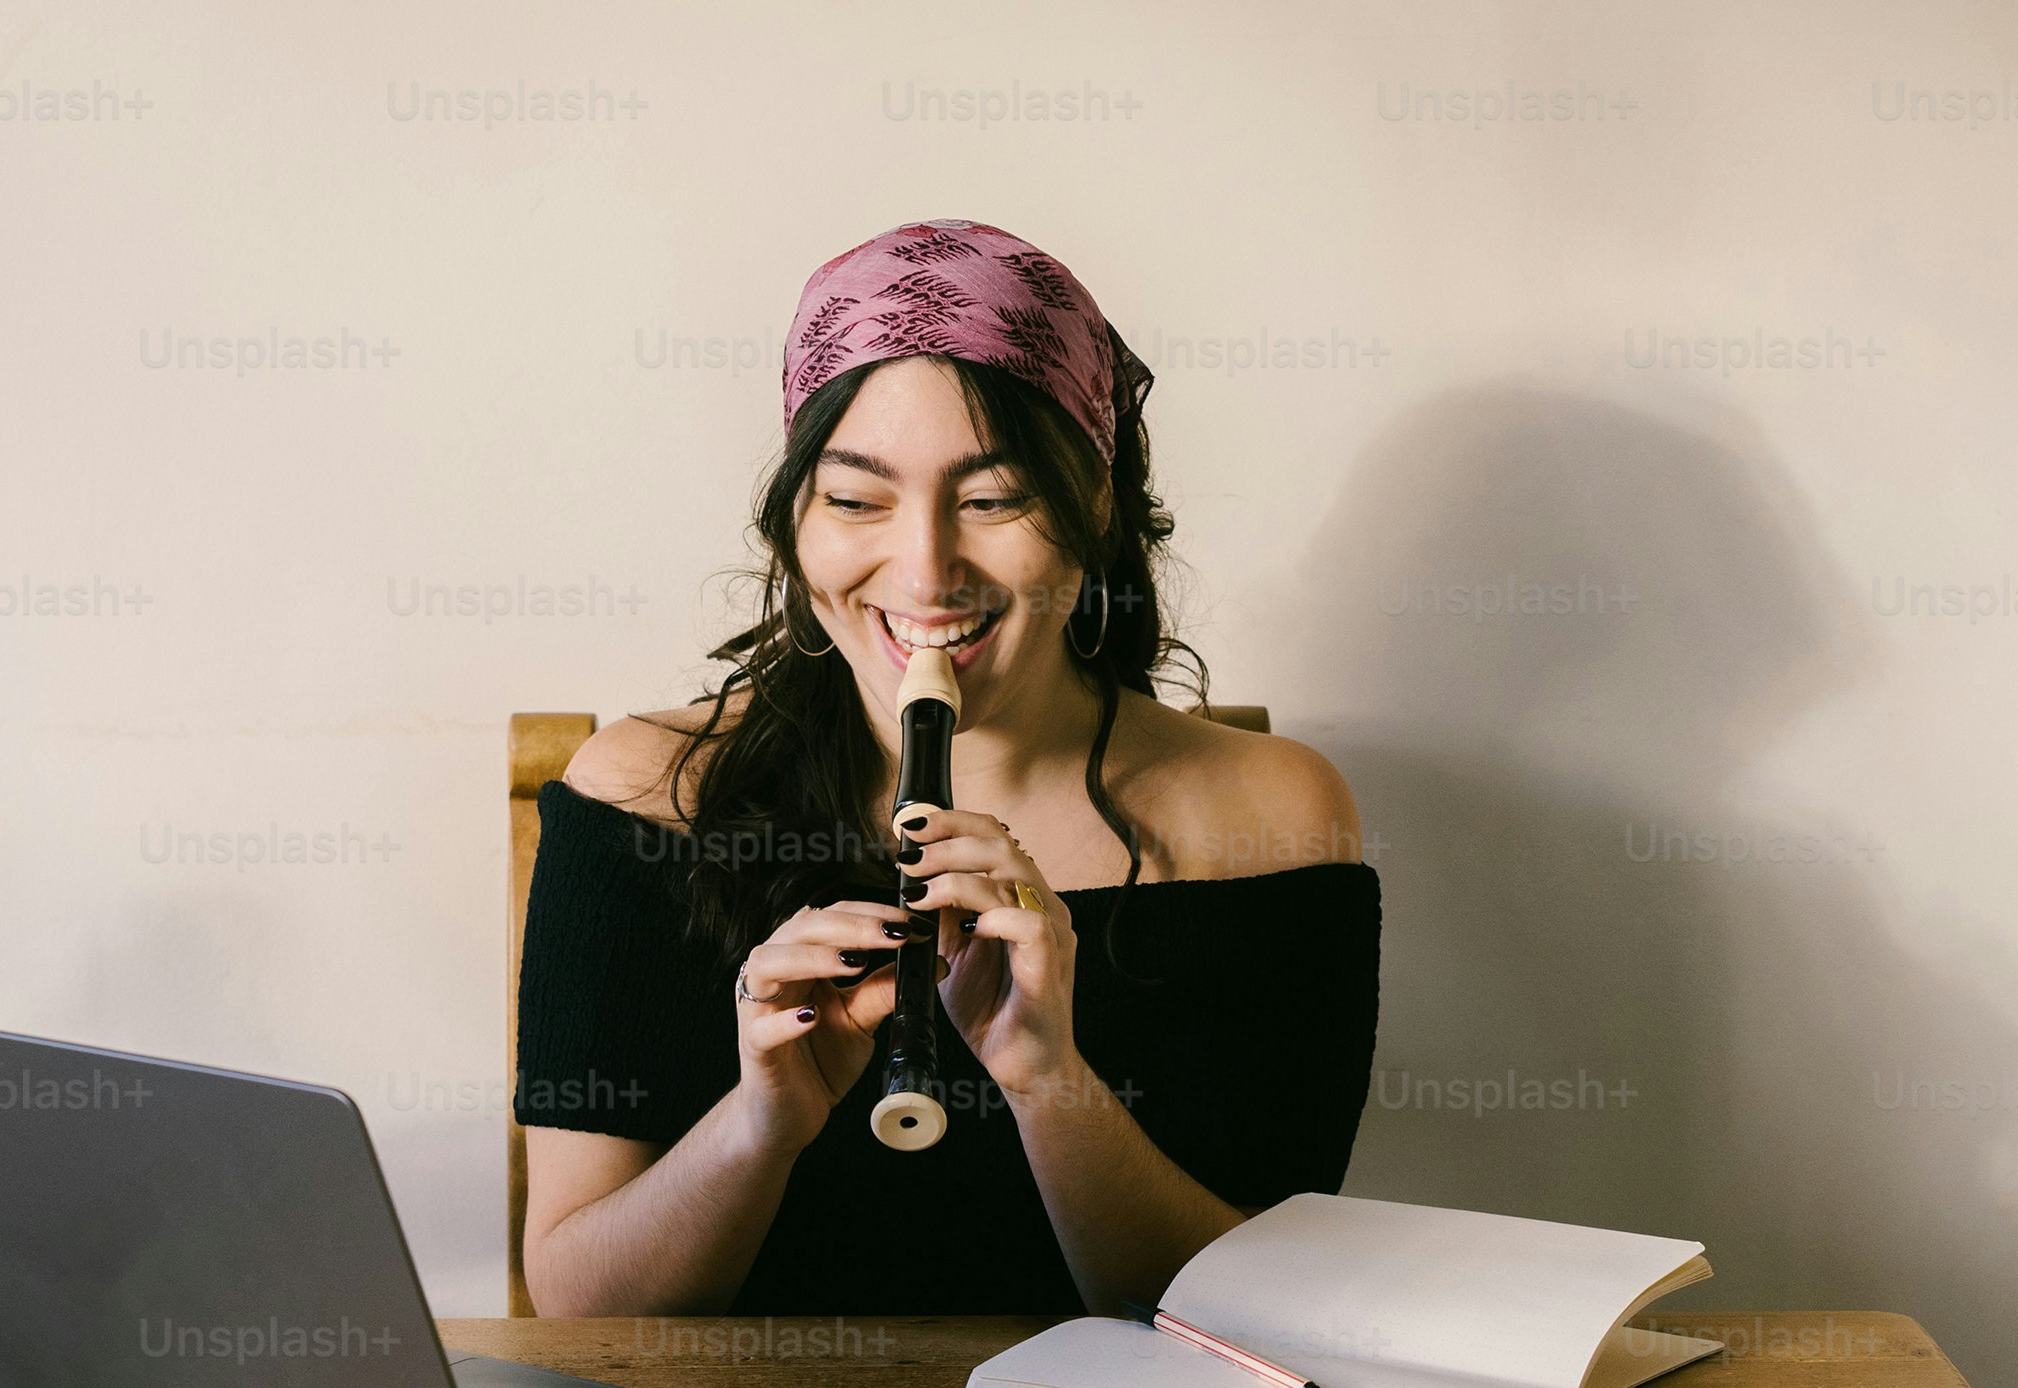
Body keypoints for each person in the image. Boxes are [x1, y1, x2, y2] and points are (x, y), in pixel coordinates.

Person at [516, 220, 1379, 1316]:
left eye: (991, 499)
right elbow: (583, 1315)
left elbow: (1275, 1317)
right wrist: (760, 1125)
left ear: (1094, 507)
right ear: (793, 520)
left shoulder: (1273, 813)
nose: (925, 571)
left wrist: (1048, 1081)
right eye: (855, 499)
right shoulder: (646, 796)